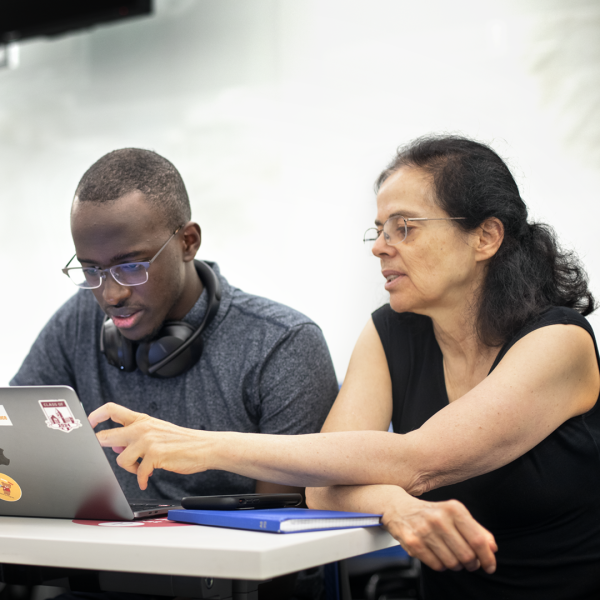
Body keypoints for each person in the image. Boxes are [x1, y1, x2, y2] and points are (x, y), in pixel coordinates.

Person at [87, 136, 600, 599]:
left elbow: (417, 461)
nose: (379, 246)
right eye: (378, 230)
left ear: (485, 237)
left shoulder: (559, 343)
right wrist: (396, 507)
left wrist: (201, 445)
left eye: (405, 227)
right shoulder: (389, 331)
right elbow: (320, 483)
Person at [11, 147, 339, 504]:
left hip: (223, 558)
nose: (111, 295)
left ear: (188, 242)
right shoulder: (78, 321)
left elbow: (281, 527)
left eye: (132, 266)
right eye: (92, 271)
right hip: (99, 556)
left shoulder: (283, 346)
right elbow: (14, 442)